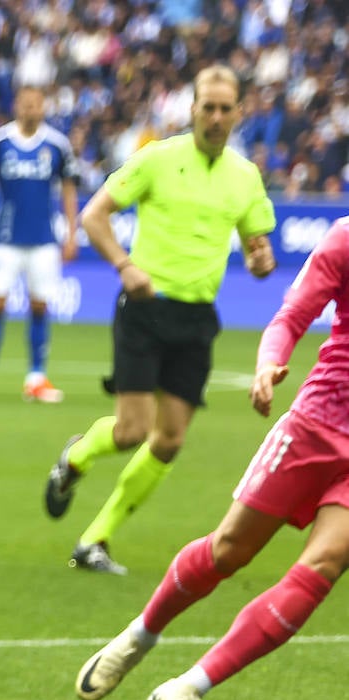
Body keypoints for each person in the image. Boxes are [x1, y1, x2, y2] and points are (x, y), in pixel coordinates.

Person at [73, 216, 349, 700]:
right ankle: (139, 636)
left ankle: (188, 687)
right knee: (230, 550)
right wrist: (270, 364)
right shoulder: (344, 238)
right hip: (318, 424)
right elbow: (291, 317)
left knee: (324, 565)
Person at [43, 65, 277, 576]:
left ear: (239, 113)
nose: (215, 117)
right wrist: (125, 267)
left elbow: (259, 248)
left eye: (225, 108)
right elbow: (93, 215)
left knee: (169, 439)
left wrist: (262, 262)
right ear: (192, 109)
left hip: (197, 319)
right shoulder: (158, 158)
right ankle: (76, 458)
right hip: (145, 311)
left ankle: (95, 540)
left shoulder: (245, 176)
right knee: (132, 430)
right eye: (207, 107)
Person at [0, 84, 80, 404]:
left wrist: (72, 232)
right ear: (16, 106)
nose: (30, 109)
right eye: (25, 104)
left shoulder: (57, 145)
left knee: (40, 305)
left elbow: (69, 188)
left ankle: (36, 378)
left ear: (43, 108)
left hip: (44, 239)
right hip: (5, 239)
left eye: (36, 104)